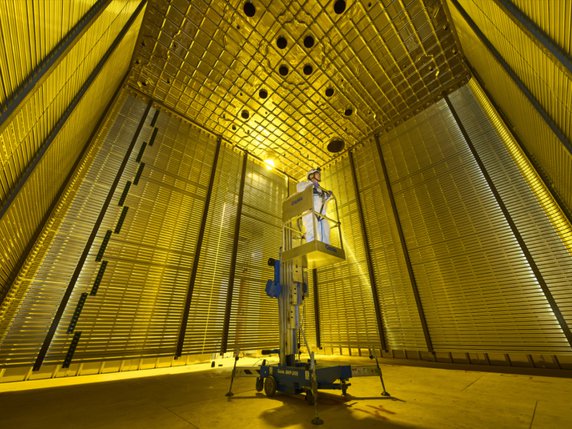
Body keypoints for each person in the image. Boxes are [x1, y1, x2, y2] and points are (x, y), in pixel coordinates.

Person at [296, 168, 334, 244]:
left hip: (321, 214)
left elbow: (322, 202)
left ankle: (326, 248)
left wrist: (328, 196)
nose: (319, 175)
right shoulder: (303, 184)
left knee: (326, 231)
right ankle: (311, 246)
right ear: (311, 176)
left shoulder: (320, 189)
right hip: (309, 212)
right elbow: (299, 188)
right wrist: (311, 184)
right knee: (311, 231)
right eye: (317, 174)